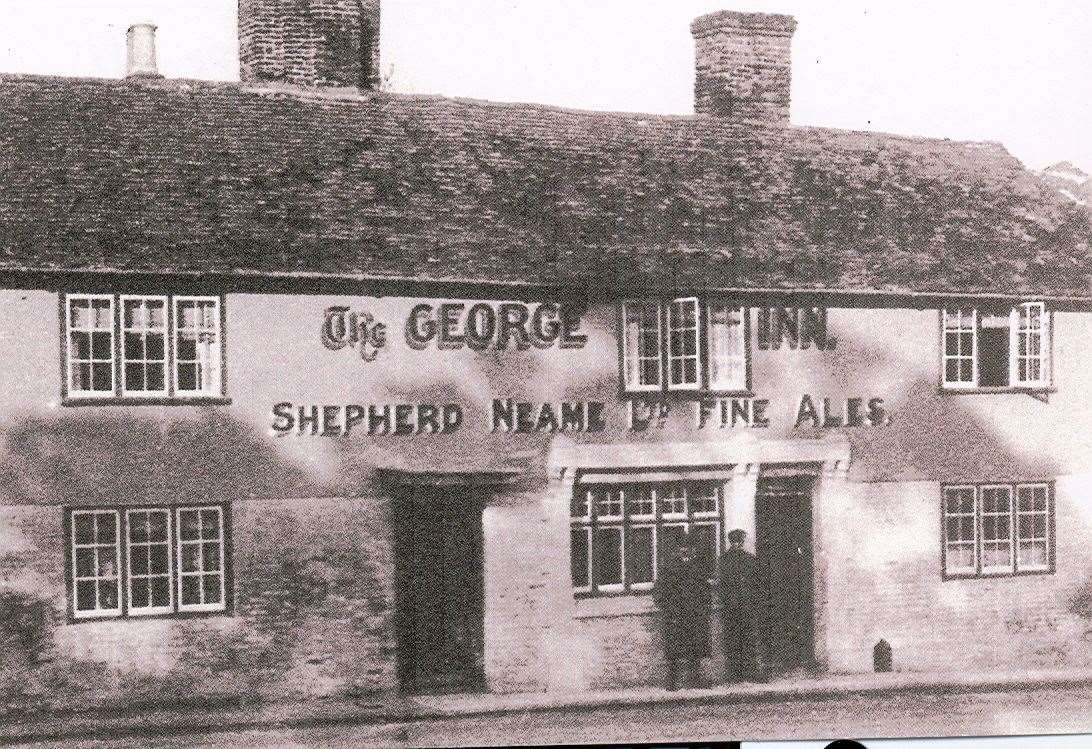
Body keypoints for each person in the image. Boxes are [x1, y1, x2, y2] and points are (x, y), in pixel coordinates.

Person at [654, 531, 712, 690]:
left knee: (695, 647)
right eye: (682, 547)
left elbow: (705, 590)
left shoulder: (699, 566)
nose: (685, 550)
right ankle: (672, 681)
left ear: (693, 549)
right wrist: (668, 609)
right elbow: (659, 591)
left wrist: (704, 608)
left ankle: (695, 679)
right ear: (677, 549)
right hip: (675, 615)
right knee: (674, 649)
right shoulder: (669, 567)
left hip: (695, 614)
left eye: (688, 547)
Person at [717, 528, 766, 683]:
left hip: (741, 606)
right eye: (736, 541)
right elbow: (722, 584)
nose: (738, 544)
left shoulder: (727, 560)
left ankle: (742, 673)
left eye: (739, 541)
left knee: (743, 640)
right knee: (739, 639)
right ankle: (740, 673)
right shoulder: (737, 560)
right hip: (739, 606)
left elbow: (757, 583)